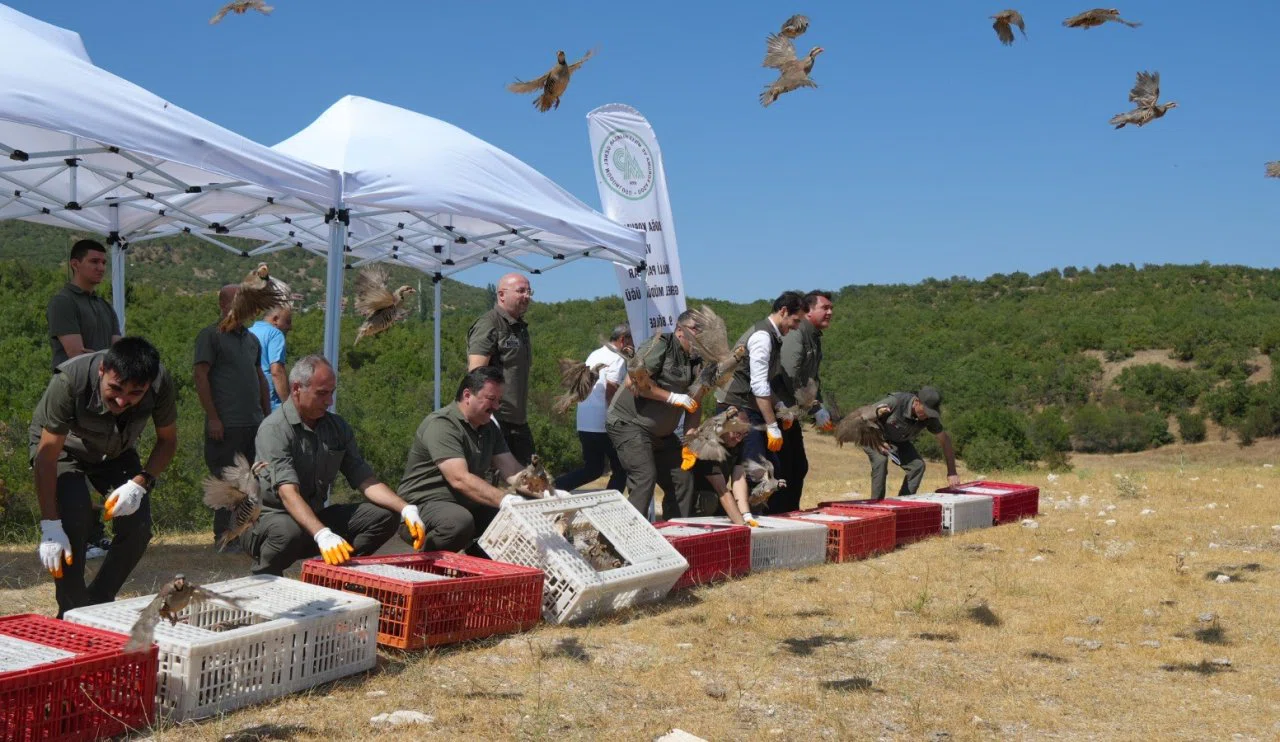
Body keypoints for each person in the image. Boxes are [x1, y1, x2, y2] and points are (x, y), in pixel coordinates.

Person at [30, 337, 177, 617]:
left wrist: (141, 482)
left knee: (138, 526)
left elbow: (167, 441)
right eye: (115, 388)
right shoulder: (69, 381)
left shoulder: (159, 382)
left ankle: (98, 602)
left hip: (116, 449)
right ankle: (72, 612)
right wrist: (50, 524)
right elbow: (47, 457)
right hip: (63, 448)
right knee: (75, 517)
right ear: (101, 370)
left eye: (135, 393)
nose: (122, 400)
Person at [244, 355, 425, 576]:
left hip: (313, 518)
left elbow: (363, 478)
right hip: (268, 521)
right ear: (296, 389)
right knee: (287, 532)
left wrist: (405, 508)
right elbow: (287, 494)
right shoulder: (274, 429)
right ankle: (265, 580)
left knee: (384, 516)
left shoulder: (337, 427)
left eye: (331, 392)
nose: (329, 401)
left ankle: (337, 575)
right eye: (322, 393)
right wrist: (323, 534)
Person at [398, 367, 558, 554]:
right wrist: (505, 499)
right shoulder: (442, 424)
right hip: (421, 506)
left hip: (464, 504)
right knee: (459, 522)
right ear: (467, 395)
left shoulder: (488, 427)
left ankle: (476, 573)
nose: (496, 407)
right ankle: (423, 567)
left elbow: (513, 472)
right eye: (491, 399)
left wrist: (550, 492)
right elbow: (459, 479)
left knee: (510, 522)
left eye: (499, 401)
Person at [46, 239, 122, 560]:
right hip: (74, 397)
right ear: (75, 264)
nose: (101, 268)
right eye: (94, 262)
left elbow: (120, 351)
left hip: (105, 399)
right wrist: (114, 363)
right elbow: (76, 354)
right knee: (72, 471)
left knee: (106, 467)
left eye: (104, 263)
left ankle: (97, 534)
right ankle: (79, 539)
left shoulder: (104, 306)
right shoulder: (63, 302)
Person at [194, 285, 271, 551]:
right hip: (226, 424)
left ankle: (248, 537)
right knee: (228, 486)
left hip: (253, 422)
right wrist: (213, 417)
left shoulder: (252, 340)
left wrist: (267, 417)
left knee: (254, 485)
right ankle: (225, 539)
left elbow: (259, 376)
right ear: (223, 304)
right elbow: (200, 377)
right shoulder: (211, 336)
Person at [715, 291, 806, 512]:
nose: (795, 327)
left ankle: (759, 516)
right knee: (755, 471)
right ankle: (751, 522)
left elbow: (764, 382)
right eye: (795, 320)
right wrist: (773, 425)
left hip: (750, 407)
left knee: (771, 466)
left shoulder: (773, 336)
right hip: (736, 408)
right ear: (783, 311)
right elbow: (758, 386)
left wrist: (780, 407)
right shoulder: (762, 337)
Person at [606, 312, 703, 519]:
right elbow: (634, 383)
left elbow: (696, 403)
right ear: (680, 329)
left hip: (662, 435)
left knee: (682, 479)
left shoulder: (698, 360)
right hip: (630, 424)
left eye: (704, 330)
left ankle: (675, 535)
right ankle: (620, 542)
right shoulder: (662, 344)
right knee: (644, 477)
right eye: (696, 328)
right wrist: (672, 398)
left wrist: (690, 439)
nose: (700, 334)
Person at [773, 289, 836, 513]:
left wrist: (819, 406)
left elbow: (811, 379)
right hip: (779, 411)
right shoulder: (797, 334)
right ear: (808, 312)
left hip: (794, 412)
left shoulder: (814, 338)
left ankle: (790, 514)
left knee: (797, 466)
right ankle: (777, 518)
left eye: (831, 308)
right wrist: (814, 407)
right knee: (781, 469)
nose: (830, 312)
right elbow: (790, 375)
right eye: (825, 308)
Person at [555, 323, 632, 493]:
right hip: (602, 423)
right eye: (631, 342)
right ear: (622, 339)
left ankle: (554, 488)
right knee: (622, 468)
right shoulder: (618, 357)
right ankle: (611, 507)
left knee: (593, 469)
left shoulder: (595, 354)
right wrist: (622, 422)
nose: (633, 347)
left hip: (584, 422)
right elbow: (610, 392)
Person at [467, 273, 535, 464]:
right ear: (502, 294)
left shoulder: (519, 327)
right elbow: (476, 373)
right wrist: (486, 417)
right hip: (495, 420)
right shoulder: (489, 324)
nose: (527, 296)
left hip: (517, 420)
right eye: (521, 291)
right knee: (492, 483)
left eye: (529, 291)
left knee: (532, 481)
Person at [862, 387, 962, 500]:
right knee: (881, 461)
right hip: (873, 436)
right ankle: (876, 504)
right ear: (917, 402)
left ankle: (903, 504)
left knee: (917, 466)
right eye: (926, 411)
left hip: (898, 441)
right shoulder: (895, 402)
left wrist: (952, 472)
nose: (927, 416)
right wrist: (877, 441)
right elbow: (863, 417)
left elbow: (945, 440)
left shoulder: (929, 417)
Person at [249, 304, 293, 411]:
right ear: (275, 319)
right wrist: (289, 406)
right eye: (288, 322)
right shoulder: (275, 334)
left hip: (248, 400)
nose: (290, 327)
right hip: (269, 403)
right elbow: (277, 371)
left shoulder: (247, 332)